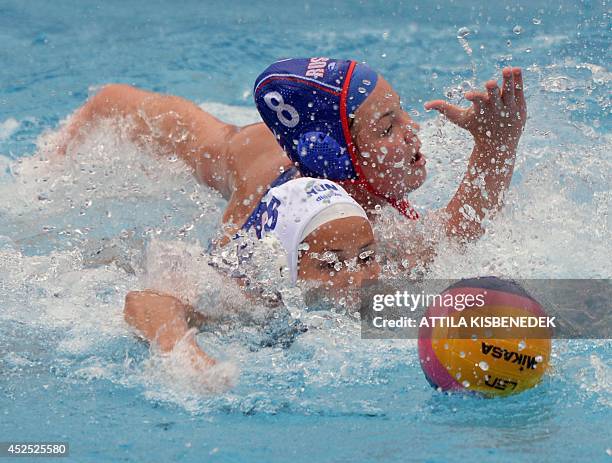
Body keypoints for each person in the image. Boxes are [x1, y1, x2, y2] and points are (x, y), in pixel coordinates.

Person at [56, 58, 526, 244]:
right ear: (339, 158)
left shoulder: (257, 145)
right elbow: (452, 239)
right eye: (388, 126)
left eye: (402, 112)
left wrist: (496, 143)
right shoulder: (314, 224)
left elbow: (116, 100)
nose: (413, 130)